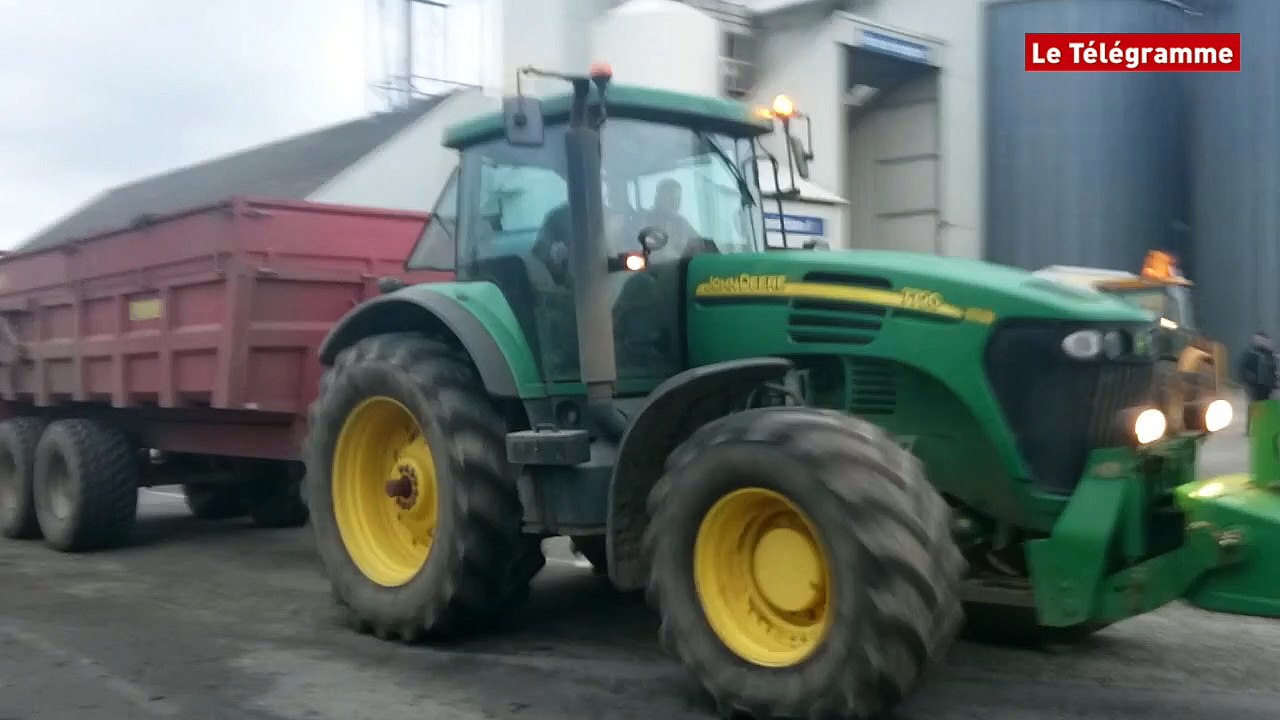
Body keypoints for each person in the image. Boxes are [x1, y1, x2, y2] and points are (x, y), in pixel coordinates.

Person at [1238, 331, 1278, 432]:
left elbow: (1273, 370)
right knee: (1255, 406)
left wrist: (1274, 383)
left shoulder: (1270, 355)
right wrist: (1248, 381)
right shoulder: (1251, 354)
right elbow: (1243, 369)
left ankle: (1261, 426)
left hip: (1266, 386)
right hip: (1254, 386)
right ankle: (1253, 428)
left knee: (1264, 406)